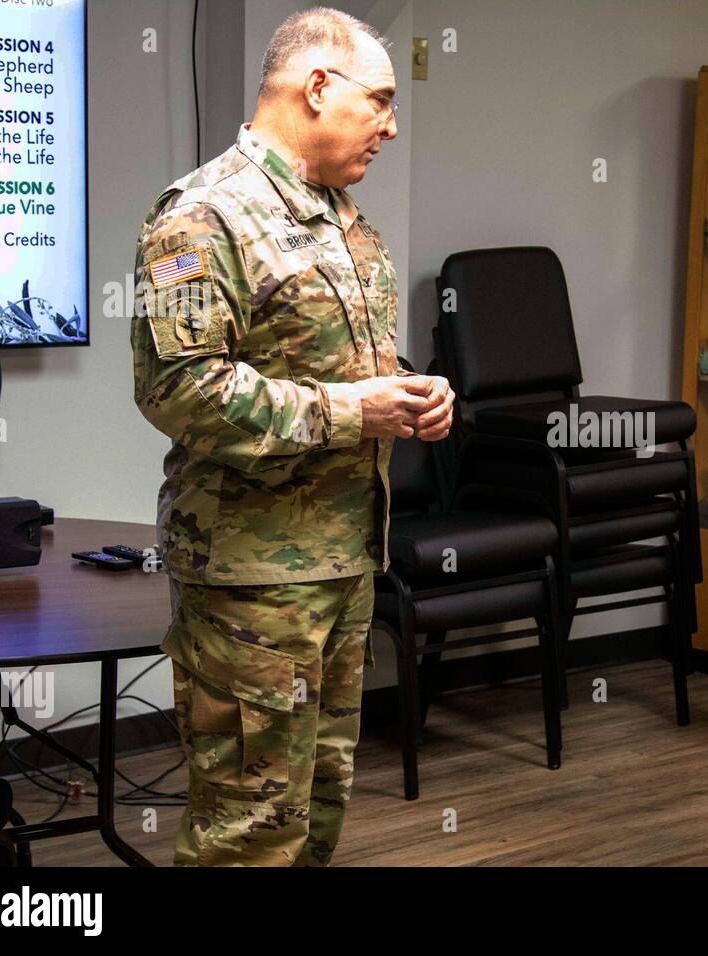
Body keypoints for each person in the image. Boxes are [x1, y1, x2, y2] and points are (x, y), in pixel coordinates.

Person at [130, 7, 454, 866]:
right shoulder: (201, 217)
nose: (390, 125)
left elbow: (344, 363)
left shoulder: (344, 218)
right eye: (380, 100)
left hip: (344, 565)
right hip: (250, 586)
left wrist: (413, 390)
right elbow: (181, 389)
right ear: (317, 86)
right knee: (247, 835)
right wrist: (358, 412)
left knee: (316, 821)